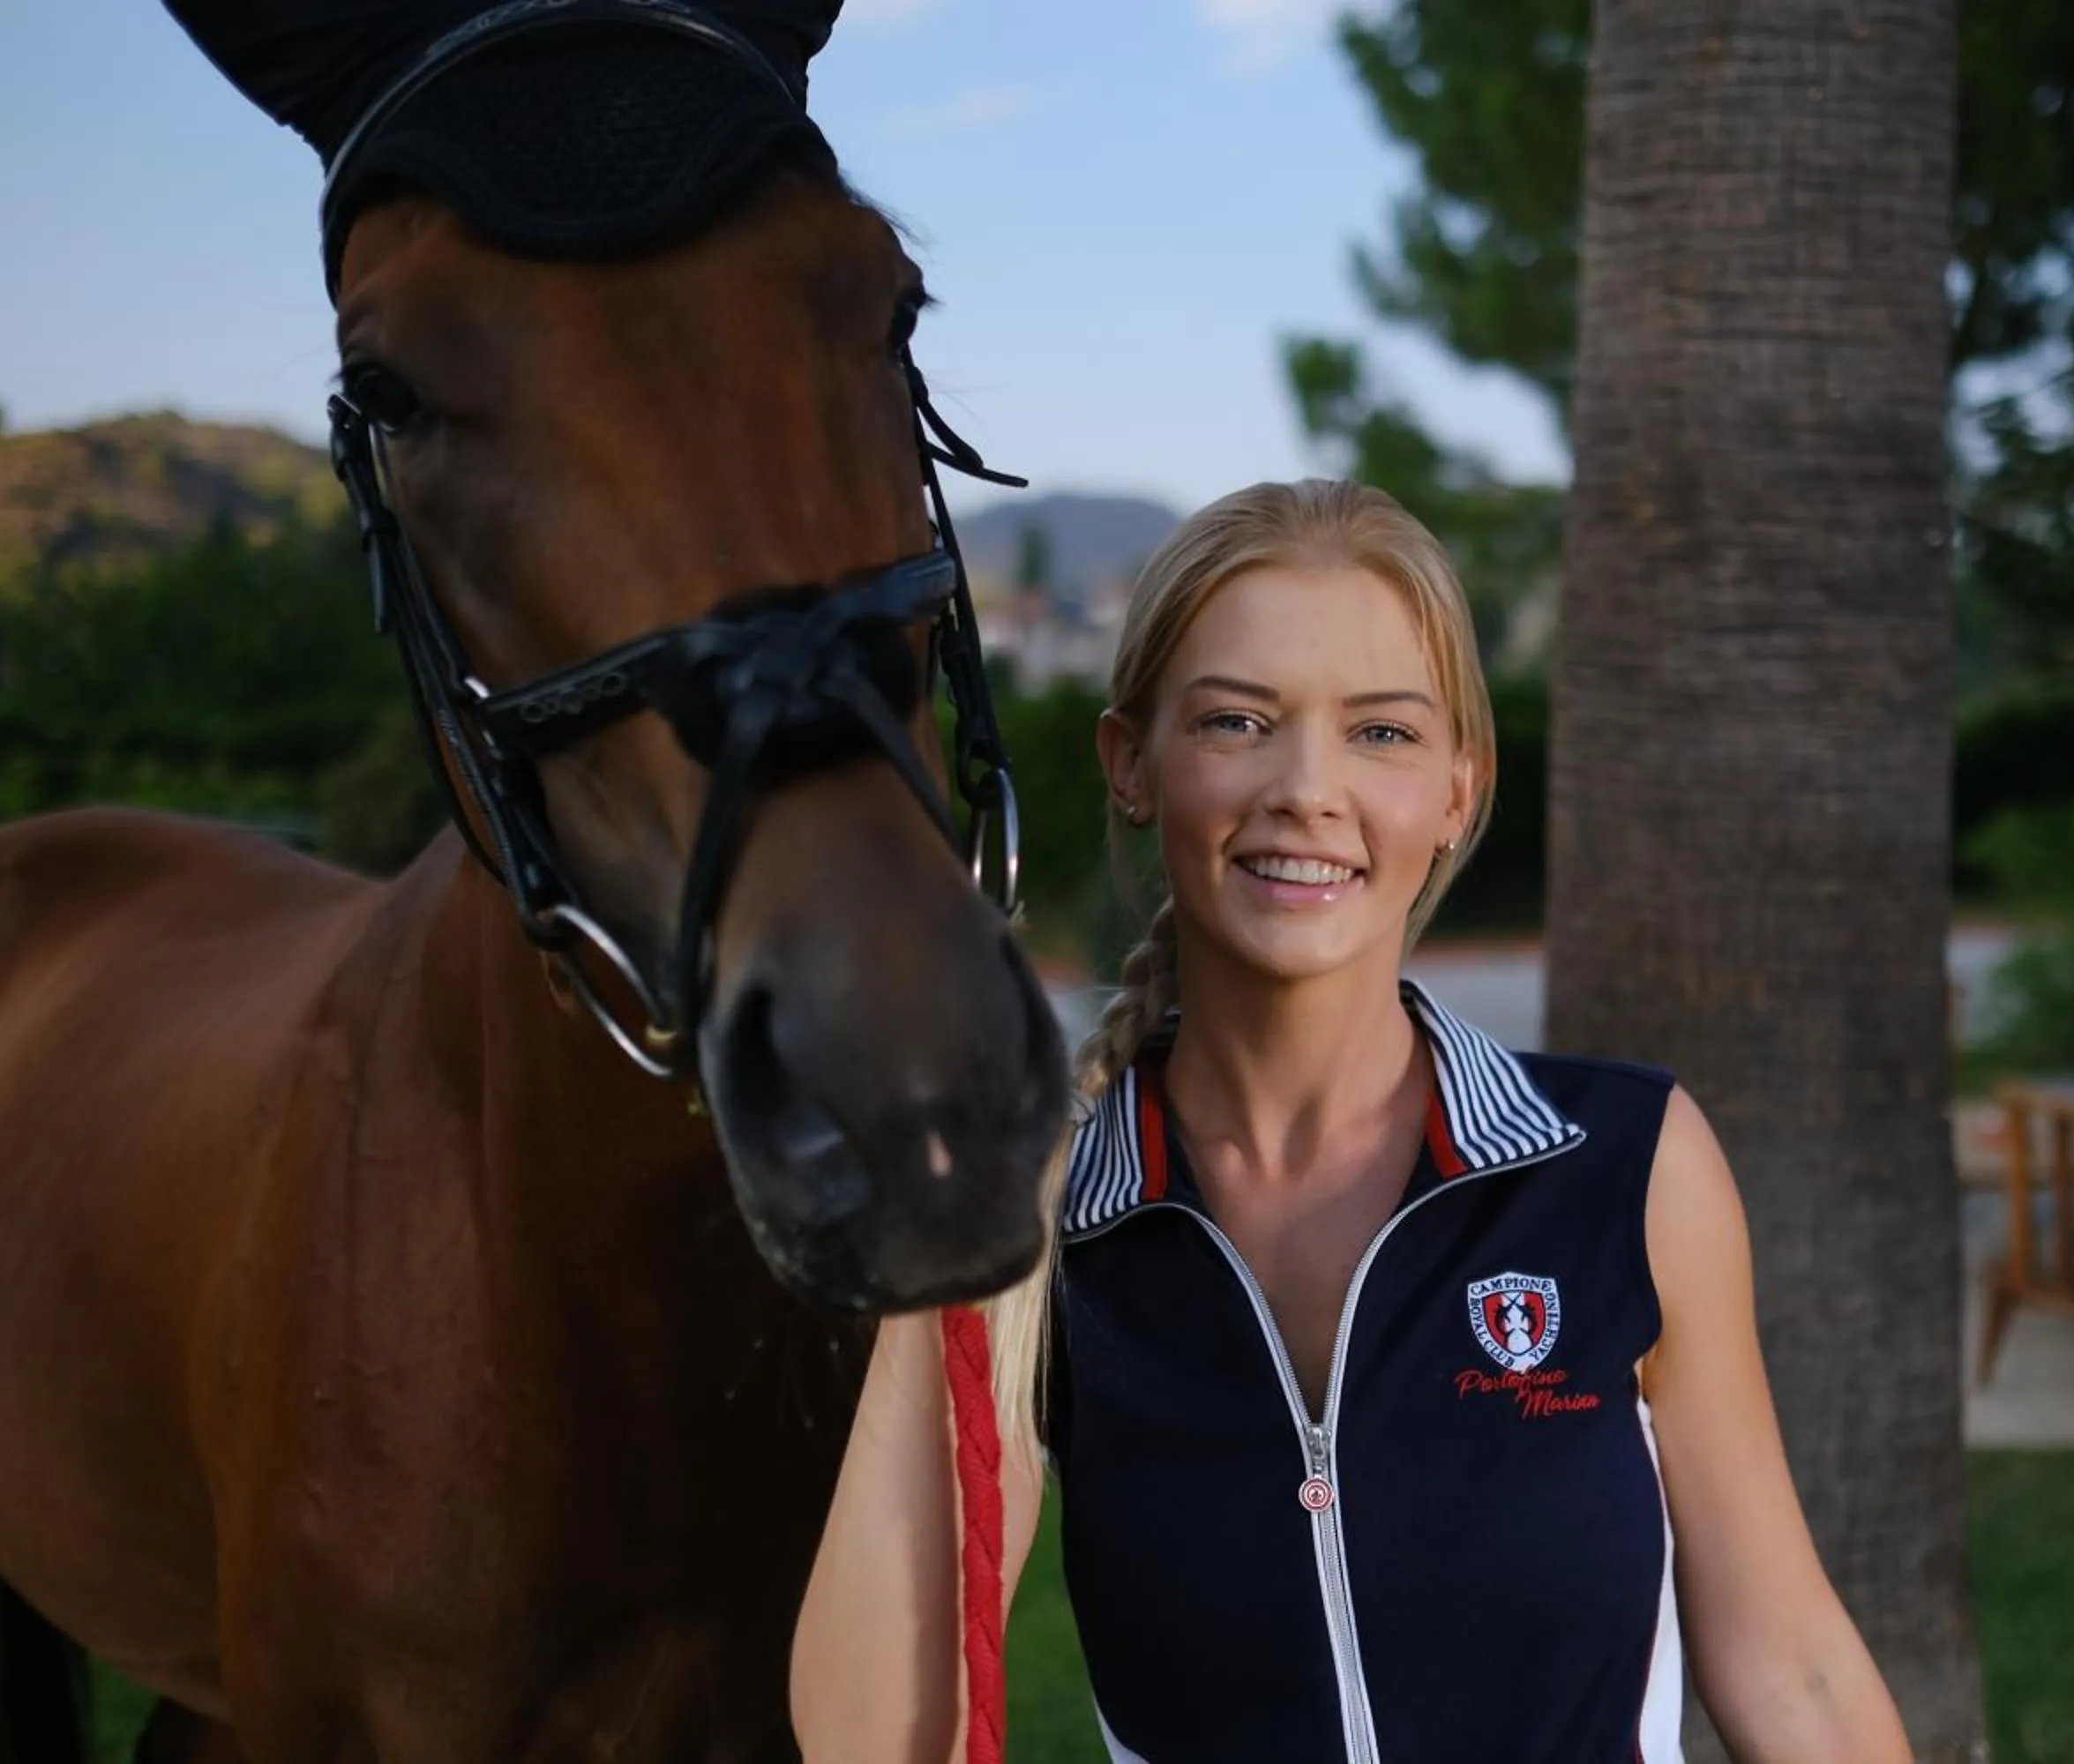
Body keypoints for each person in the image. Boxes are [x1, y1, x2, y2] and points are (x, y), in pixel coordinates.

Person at [791, 480, 1913, 1762]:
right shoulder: (1054, 1227)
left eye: (1380, 734)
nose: (1308, 788)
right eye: (1236, 720)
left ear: (1454, 789)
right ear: (1133, 765)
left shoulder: (1625, 1166)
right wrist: (945, 1239)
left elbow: (1794, 1664)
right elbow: (873, 1738)